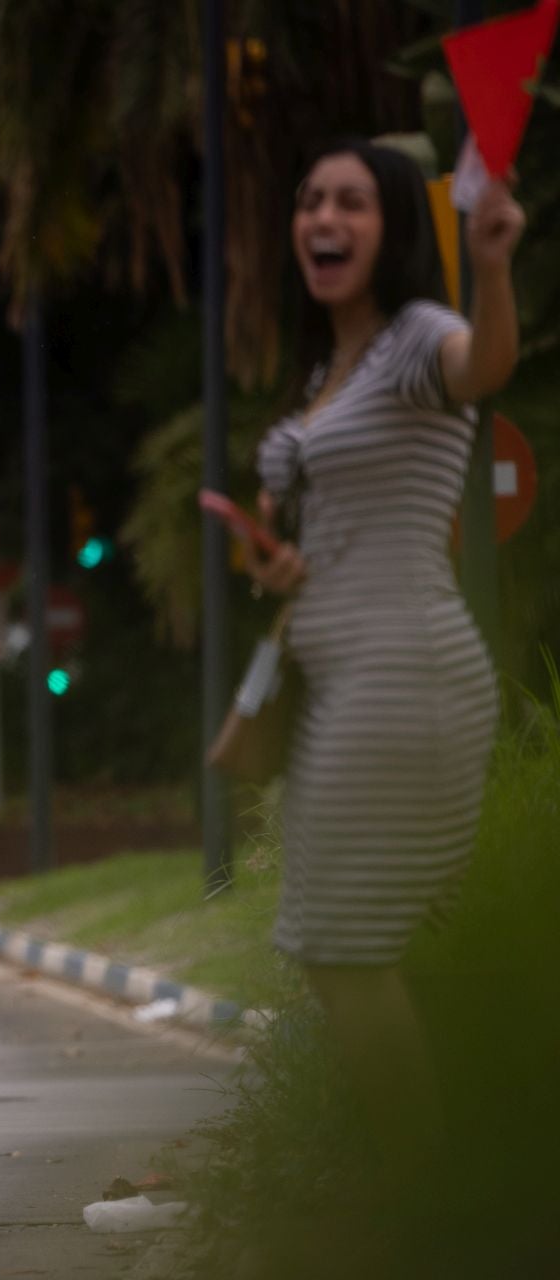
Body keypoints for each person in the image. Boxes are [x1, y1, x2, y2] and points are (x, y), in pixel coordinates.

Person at [246, 139, 522, 1206]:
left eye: (353, 202)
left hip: (405, 674)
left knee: (342, 943)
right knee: (338, 946)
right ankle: (437, 1183)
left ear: (394, 224)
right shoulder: (328, 374)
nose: (324, 216)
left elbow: (482, 367)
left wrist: (492, 264)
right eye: (311, 198)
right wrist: (275, 564)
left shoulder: (418, 340)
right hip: (343, 678)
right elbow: (319, 542)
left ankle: (425, 1195)